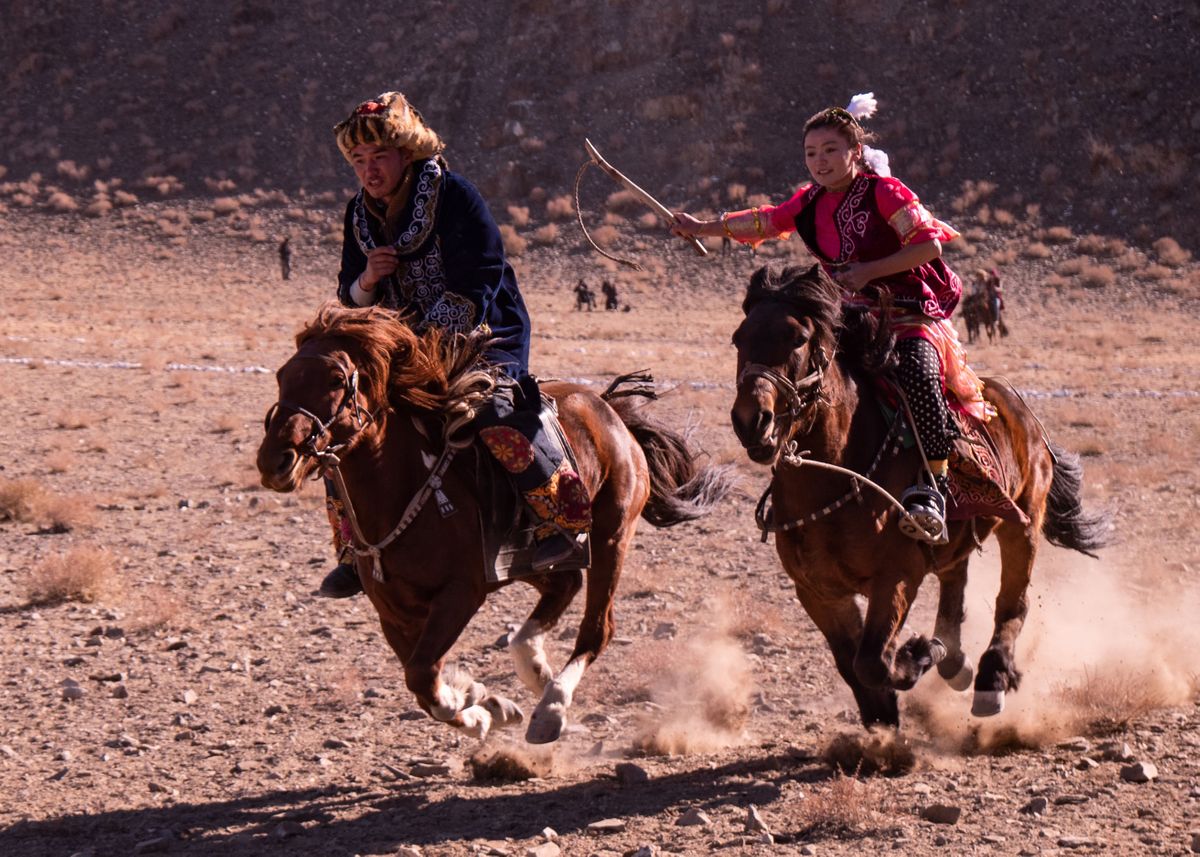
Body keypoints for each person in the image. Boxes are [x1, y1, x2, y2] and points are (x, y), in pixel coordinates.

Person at [672, 93, 989, 544]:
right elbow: (767, 222)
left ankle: (932, 485)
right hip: (850, 314)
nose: (819, 161)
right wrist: (702, 227)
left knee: (916, 374)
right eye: (810, 153)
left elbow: (929, 247)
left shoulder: (885, 191)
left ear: (854, 153)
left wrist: (868, 272)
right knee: (807, 377)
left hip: (907, 312)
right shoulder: (809, 201)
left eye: (830, 151)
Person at [318, 91, 589, 598]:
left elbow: (482, 275)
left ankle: (559, 518)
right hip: (399, 351)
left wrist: (429, 342)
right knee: (345, 425)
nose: (369, 171)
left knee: (493, 411)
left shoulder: (455, 195)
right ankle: (353, 548)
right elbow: (348, 293)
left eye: (379, 157)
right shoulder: (358, 214)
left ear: (406, 153)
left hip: (482, 332)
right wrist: (369, 283)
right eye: (359, 161)